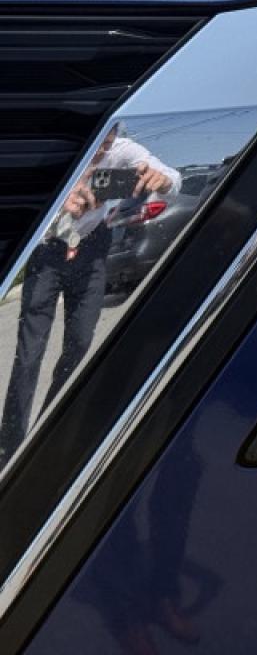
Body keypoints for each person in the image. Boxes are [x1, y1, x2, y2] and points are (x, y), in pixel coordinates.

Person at [0, 124, 180, 466]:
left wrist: (162, 180)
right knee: (29, 352)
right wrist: (60, 208)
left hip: (93, 248)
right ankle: (9, 444)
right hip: (47, 251)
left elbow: (174, 178)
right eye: (96, 145)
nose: (100, 151)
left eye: (106, 144)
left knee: (81, 343)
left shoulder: (122, 151)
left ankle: (50, 431)